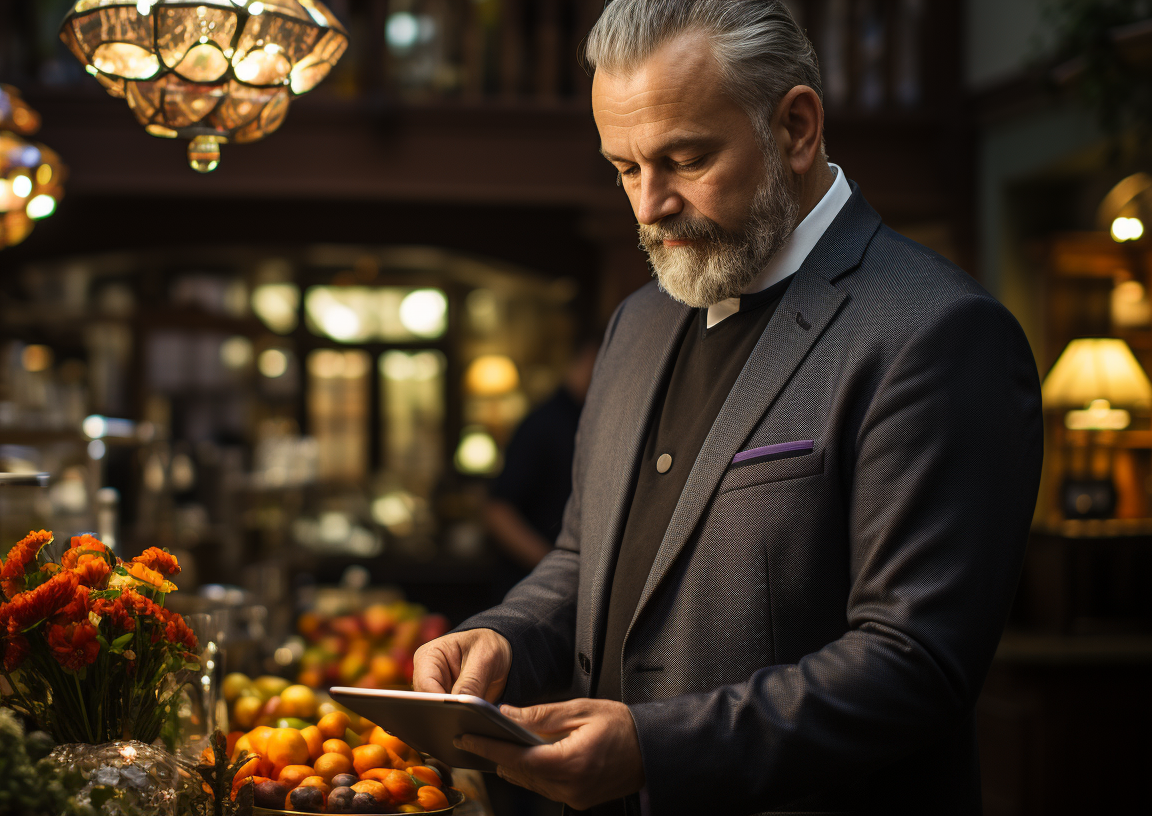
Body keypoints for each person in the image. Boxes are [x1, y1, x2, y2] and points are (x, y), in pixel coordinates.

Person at [413, 2, 1043, 814]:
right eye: (625, 169)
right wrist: (502, 636)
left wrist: (655, 750)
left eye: (683, 158)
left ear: (796, 128)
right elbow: (582, 558)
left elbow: (914, 663)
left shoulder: (937, 332)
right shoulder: (637, 323)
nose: (647, 206)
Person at [485, 338, 599, 594]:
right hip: (534, 587)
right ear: (593, 359)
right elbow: (498, 511)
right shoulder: (545, 423)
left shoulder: (583, 417)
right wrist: (553, 568)